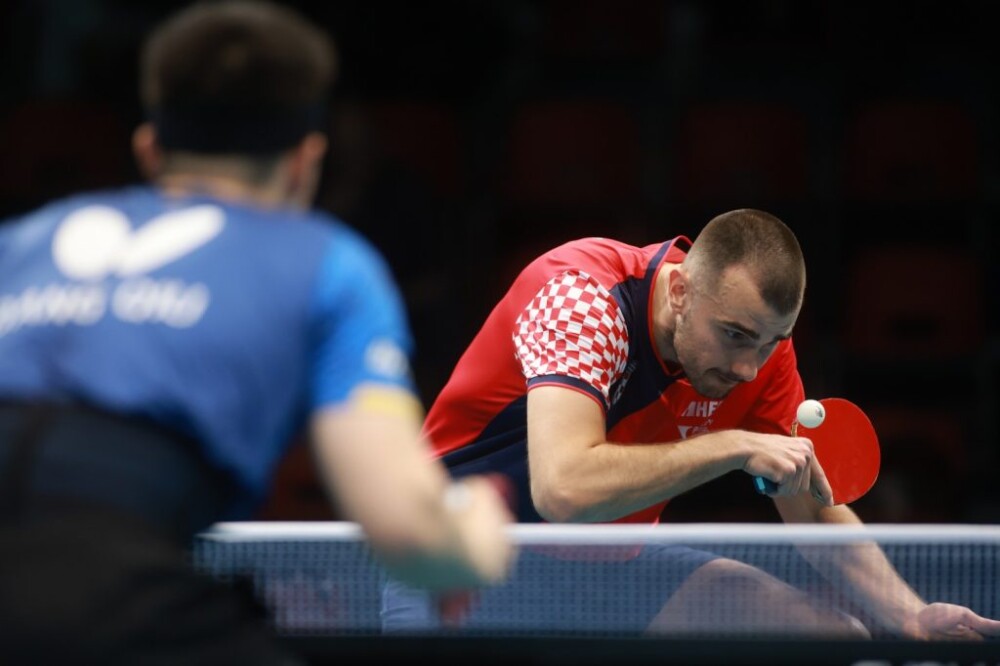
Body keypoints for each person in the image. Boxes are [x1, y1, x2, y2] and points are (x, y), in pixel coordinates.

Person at [0, 1, 514, 663]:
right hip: (110, 580)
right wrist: (472, 531)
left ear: (148, 150)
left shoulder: (22, 239)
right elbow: (410, 533)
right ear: (306, 161)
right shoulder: (327, 264)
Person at [381, 208, 1000, 640]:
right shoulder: (582, 299)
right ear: (680, 292)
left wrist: (908, 615)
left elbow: (809, 506)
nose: (748, 366)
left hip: (605, 567)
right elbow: (563, 489)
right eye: (734, 335)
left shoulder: (761, 353)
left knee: (830, 636)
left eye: (771, 342)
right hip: (459, 558)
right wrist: (731, 445)